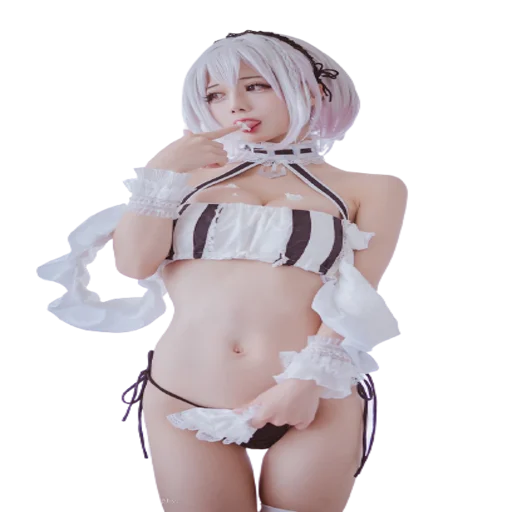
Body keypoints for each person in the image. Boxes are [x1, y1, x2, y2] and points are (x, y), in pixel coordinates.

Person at [37, 30, 408, 512]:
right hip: (183, 395)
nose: (235, 105)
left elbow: (359, 294)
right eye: (215, 94)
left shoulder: (371, 187)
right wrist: (164, 169)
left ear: (311, 91)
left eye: (256, 86)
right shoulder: (184, 179)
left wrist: (303, 383)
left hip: (315, 396)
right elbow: (132, 264)